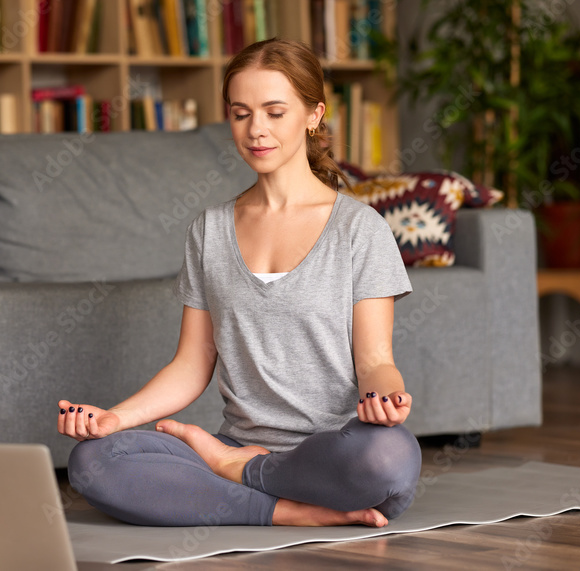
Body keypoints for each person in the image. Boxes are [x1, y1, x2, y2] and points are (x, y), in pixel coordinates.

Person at [57, 37, 421, 528]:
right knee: (93, 462)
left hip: (333, 454)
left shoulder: (360, 229)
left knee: (387, 460)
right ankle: (284, 509)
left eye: (275, 111)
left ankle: (241, 474)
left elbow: (376, 361)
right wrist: (114, 419)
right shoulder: (209, 230)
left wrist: (386, 398)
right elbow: (192, 363)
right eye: (241, 113)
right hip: (234, 442)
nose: (256, 130)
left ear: (314, 115)